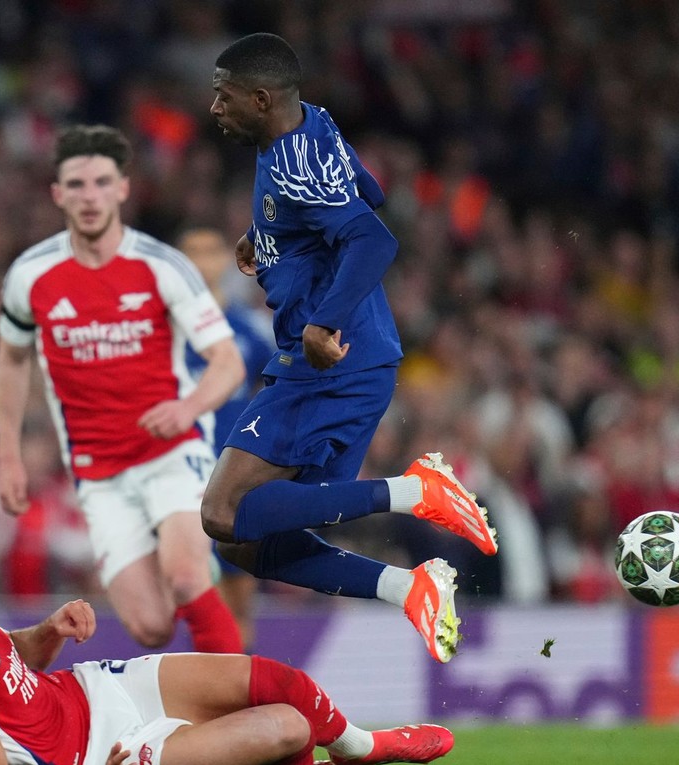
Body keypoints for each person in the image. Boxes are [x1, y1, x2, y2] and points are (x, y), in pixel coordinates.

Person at [202, 33, 498, 660]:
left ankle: (416, 493)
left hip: (331, 360)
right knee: (249, 543)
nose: (214, 109)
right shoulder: (314, 123)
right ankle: (408, 587)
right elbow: (368, 190)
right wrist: (271, 235)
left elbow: (374, 237)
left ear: (260, 99)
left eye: (223, 97)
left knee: (223, 513)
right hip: (361, 360)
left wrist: (321, 323)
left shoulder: (288, 159)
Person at [0, 485, 456, 765]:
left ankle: (361, 748)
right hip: (98, 754)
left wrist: (45, 633)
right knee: (288, 729)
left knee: (282, 683)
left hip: (90, 692)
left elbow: (5, 667)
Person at [0, 125, 245, 653]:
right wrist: (8, 454)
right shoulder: (30, 275)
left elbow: (227, 362)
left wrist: (188, 408)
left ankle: (247, 712)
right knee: (151, 628)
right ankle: (199, 583)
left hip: (172, 452)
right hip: (98, 474)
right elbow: (12, 360)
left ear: (123, 189)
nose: (90, 197)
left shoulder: (162, 265)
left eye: (102, 182)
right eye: (77, 185)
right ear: (58, 194)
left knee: (183, 577)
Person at [180, 226, 276, 648]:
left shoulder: (246, 327)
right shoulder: (166, 331)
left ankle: (239, 688)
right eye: (192, 252)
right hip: (186, 477)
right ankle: (220, 685)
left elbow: (276, 382)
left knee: (240, 593)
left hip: (238, 475)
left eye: (210, 250)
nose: (203, 261)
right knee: (205, 593)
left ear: (225, 259)